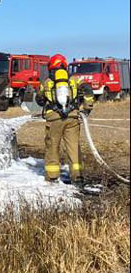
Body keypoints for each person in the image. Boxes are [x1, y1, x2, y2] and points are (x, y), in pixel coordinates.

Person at [35, 54, 94, 183]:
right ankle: (77, 176)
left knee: (52, 147)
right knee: (73, 147)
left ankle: (52, 177)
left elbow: (39, 100)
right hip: (72, 118)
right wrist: (87, 107)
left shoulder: (46, 82)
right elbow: (88, 89)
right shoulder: (74, 80)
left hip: (54, 120)